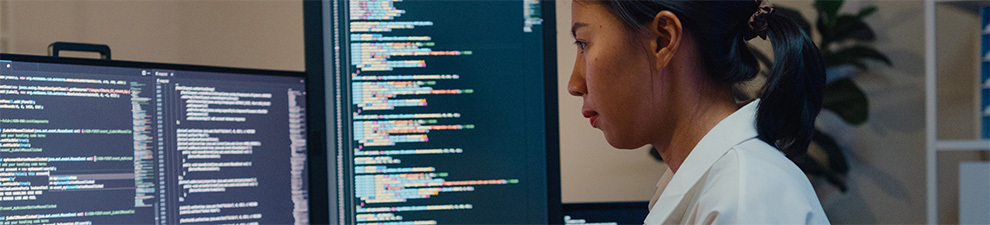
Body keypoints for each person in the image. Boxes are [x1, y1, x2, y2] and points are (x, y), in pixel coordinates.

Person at [567, 0, 830, 224]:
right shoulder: (718, 188)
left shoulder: (745, 199)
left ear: (662, 40)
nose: (574, 85)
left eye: (583, 44)